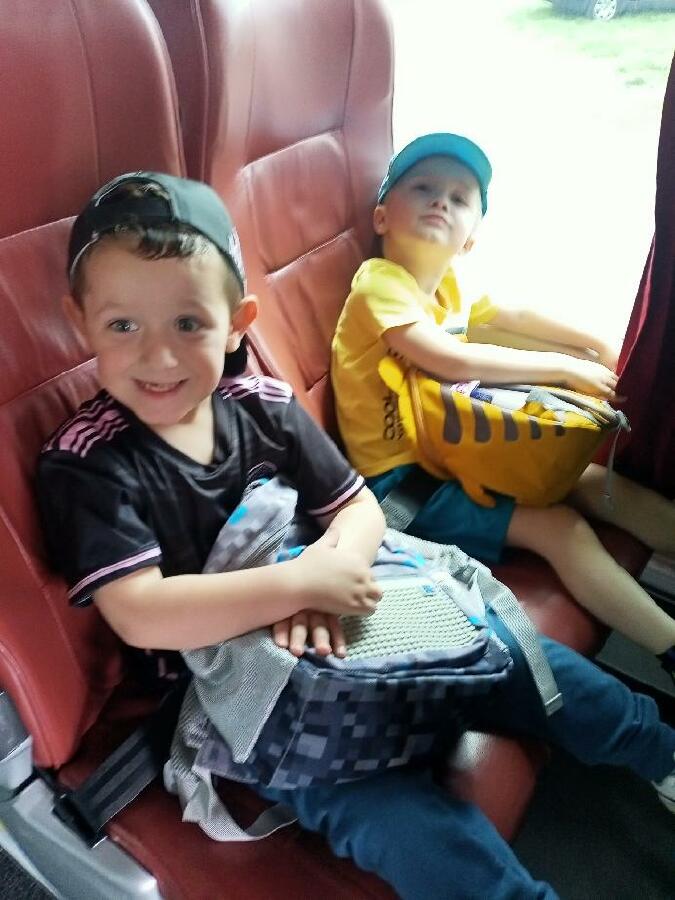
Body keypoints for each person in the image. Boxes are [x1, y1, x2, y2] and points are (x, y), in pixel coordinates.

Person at [37, 172, 674, 900]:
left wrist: (324, 577)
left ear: (238, 321)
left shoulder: (263, 406)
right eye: (123, 326)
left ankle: (659, 752)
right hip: (250, 686)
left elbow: (358, 509)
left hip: (346, 599)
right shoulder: (88, 463)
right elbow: (141, 612)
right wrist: (296, 587)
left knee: (524, 659)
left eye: (189, 324)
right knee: (397, 824)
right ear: (80, 322)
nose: (160, 357)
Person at [331, 132, 675, 683]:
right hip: (404, 486)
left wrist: (598, 344)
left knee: (594, 482)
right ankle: (669, 645)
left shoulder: (449, 286)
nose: (441, 201)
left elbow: (512, 316)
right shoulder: (379, 284)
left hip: (453, 454)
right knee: (559, 527)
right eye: (422, 188)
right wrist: (561, 369)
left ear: (469, 241)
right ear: (381, 218)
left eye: (459, 198)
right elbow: (445, 358)